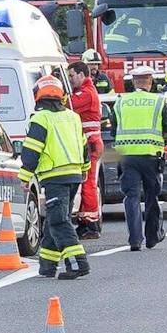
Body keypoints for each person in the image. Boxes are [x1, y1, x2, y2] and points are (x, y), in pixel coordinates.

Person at [20, 75, 91, 280]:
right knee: (55, 219)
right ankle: (48, 265)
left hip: (54, 177)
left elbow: (32, 150)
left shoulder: (40, 118)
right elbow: (84, 146)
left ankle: (78, 263)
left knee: (59, 221)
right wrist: (85, 168)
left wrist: (25, 176)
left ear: (37, 95)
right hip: (74, 175)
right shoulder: (72, 116)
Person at [112, 64, 167, 251]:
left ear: (133, 82)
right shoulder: (159, 101)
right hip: (151, 156)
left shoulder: (120, 101)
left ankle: (135, 240)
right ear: (151, 81)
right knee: (151, 196)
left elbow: (114, 130)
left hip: (126, 157)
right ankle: (153, 237)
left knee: (131, 197)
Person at [67, 61, 104, 240]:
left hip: (89, 143)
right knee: (86, 183)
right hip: (89, 143)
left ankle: (91, 224)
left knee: (88, 183)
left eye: (72, 76)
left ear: (82, 75)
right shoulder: (87, 91)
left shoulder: (86, 93)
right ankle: (85, 222)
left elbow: (69, 105)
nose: (70, 80)